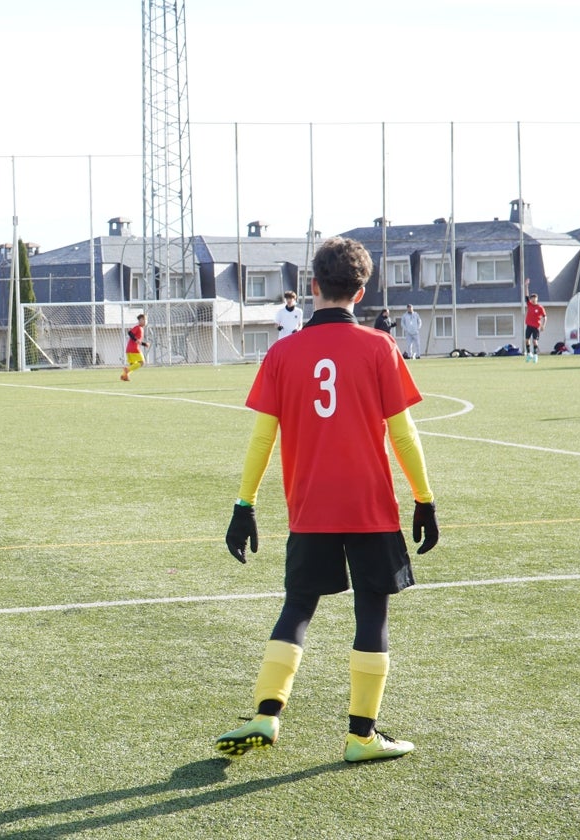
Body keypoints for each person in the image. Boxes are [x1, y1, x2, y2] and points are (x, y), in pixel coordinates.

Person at [217, 236, 439, 764]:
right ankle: (362, 735)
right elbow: (404, 436)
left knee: (298, 605)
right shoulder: (379, 347)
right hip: (370, 507)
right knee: (372, 611)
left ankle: (266, 715)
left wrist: (244, 505)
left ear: (313, 287)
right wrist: (424, 498)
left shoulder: (282, 352)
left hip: (310, 507)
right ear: (361, 293)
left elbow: (260, 440)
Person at [120, 313, 151, 381]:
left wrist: (144, 344)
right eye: (143, 319)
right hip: (134, 349)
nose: (145, 321)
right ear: (139, 320)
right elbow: (130, 333)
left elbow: (137, 341)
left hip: (129, 349)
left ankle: (124, 376)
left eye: (146, 319)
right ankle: (127, 370)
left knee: (133, 365)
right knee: (142, 362)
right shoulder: (138, 327)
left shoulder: (141, 328)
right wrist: (141, 342)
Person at [523, 278, 546, 363]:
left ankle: (535, 355)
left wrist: (543, 325)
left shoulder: (540, 307)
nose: (532, 300)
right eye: (531, 299)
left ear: (537, 299)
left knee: (535, 341)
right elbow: (526, 295)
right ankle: (529, 354)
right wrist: (526, 286)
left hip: (536, 327)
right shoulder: (529, 305)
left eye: (534, 299)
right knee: (527, 340)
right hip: (529, 326)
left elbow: (545, 316)